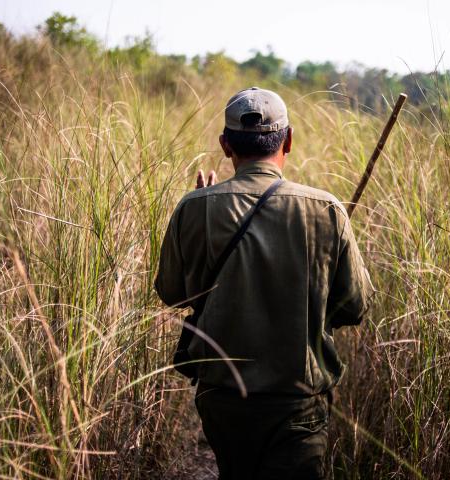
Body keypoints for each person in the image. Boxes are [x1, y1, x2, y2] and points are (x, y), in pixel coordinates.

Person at [155, 87, 372, 479]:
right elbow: (354, 306)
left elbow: (173, 294)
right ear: (288, 140)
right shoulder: (327, 209)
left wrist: (203, 218)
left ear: (225, 145)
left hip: (222, 399)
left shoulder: (194, 207)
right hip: (298, 405)